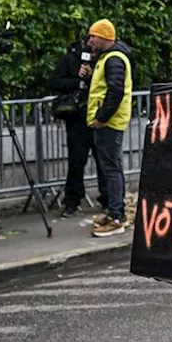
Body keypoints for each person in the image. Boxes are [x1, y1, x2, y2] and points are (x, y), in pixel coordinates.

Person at [84, 19, 132, 238]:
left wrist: (101, 118)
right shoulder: (107, 58)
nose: (90, 40)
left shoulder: (113, 59)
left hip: (109, 123)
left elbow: (115, 91)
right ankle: (116, 213)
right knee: (112, 168)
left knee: (111, 170)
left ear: (104, 37)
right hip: (109, 122)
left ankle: (116, 216)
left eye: (93, 36)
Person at [49, 34, 103, 218]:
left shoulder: (106, 58)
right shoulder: (71, 58)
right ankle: (72, 200)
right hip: (78, 117)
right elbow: (55, 82)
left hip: (99, 115)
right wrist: (77, 81)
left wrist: (92, 75)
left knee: (103, 159)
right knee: (76, 160)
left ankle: (107, 198)